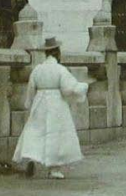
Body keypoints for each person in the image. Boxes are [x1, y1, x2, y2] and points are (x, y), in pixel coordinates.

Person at [12, 36, 88, 179]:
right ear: (57, 53)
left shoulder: (38, 69)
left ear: (46, 54)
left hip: (40, 102)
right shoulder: (60, 70)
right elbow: (68, 89)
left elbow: (31, 88)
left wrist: (29, 103)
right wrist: (83, 86)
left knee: (35, 131)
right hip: (56, 103)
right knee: (55, 134)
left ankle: (31, 158)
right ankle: (54, 169)